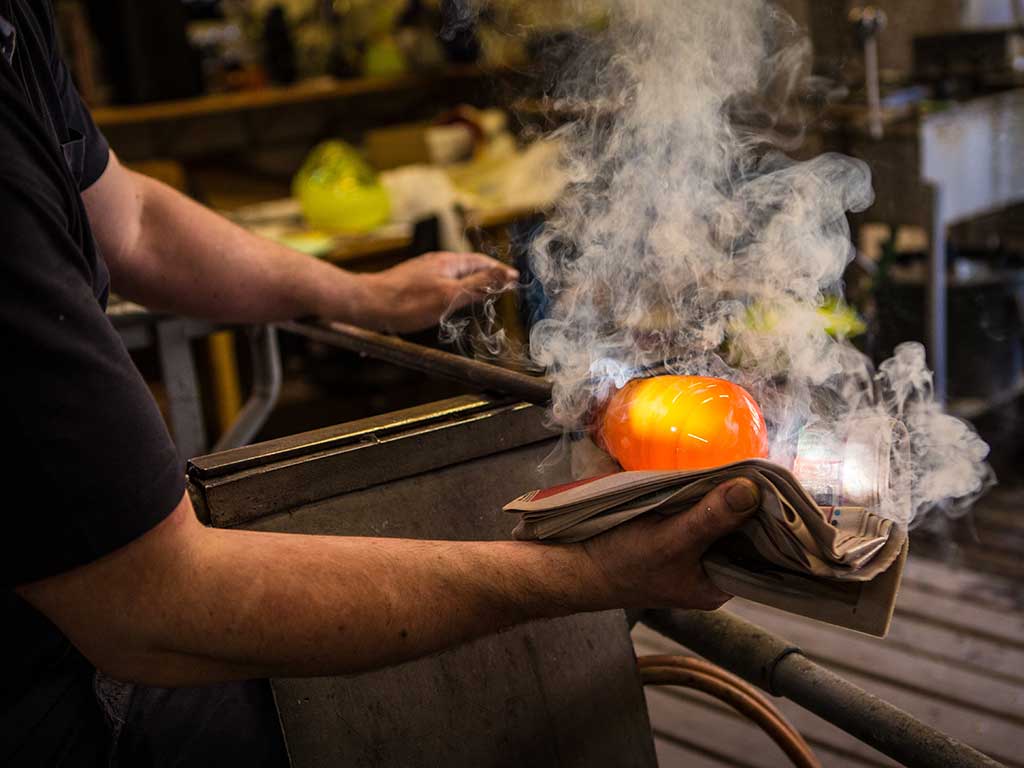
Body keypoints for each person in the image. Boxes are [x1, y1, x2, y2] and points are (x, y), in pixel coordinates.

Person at [0, 1, 762, 765]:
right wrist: (585, 576)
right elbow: (158, 599)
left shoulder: (18, 25)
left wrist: (360, 295)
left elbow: (131, 217)